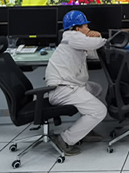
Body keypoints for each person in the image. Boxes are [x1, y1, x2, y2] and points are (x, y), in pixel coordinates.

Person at [45, 11, 108, 156]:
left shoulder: (73, 40)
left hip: (68, 85)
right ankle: (64, 140)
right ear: (77, 28)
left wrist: (92, 38)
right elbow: (98, 42)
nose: (88, 29)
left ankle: (85, 129)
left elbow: (91, 51)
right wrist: (98, 36)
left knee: (96, 89)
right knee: (99, 111)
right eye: (86, 26)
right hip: (63, 89)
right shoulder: (72, 36)